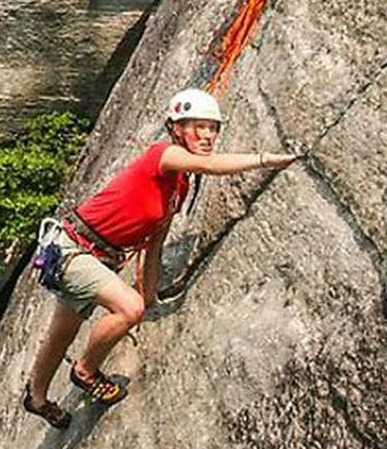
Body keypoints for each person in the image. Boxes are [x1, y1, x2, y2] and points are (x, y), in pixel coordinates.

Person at [22, 89, 298, 429]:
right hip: (72, 248)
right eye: (199, 127)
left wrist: (149, 295)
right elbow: (209, 165)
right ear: (177, 128)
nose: (208, 136)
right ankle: (85, 371)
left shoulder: (177, 189)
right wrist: (266, 159)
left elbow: (154, 245)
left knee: (62, 334)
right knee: (128, 309)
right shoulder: (163, 155)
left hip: (96, 258)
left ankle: (35, 398)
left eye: (213, 128)